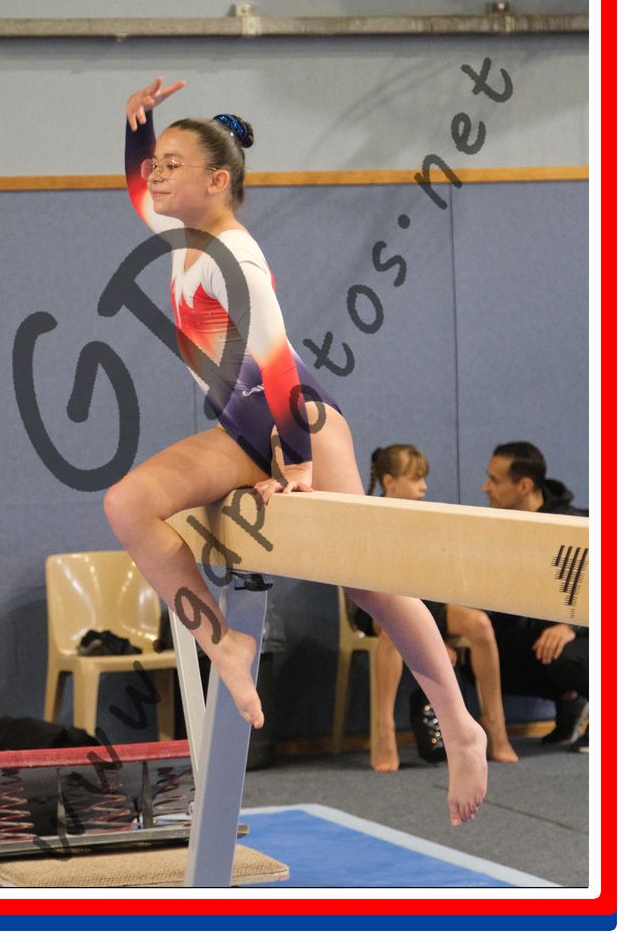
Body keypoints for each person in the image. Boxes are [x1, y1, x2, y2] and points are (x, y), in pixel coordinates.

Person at [103, 77, 488, 826]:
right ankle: (224, 645)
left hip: (299, 423)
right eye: (159, 163)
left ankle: (459, 722)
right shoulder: (183, 237)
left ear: (218, 181)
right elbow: (135, 187)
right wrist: (138, 129)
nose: (157, 174)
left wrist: (298, 464)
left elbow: (276, 360)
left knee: (372, 587)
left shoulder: (234, 258)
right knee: (128, 505)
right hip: (242, 432)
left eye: (173, 164)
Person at [354, 445, 518, 771]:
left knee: (480, 624)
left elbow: (433, 579)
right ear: (390, 482)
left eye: (424, 479)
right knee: (394, 629)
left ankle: (495, 723)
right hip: (378, 606)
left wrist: (436, 634)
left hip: (424, 603)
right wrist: (433, 639)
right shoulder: (371, 519)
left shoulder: (424, 520)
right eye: (416, 479)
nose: (424, 487)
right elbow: (376, 585)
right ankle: (384, 730)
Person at [481, 441, 589, 751]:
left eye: (495, 480)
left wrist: (573, 626)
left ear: (525, 486)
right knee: (482, 655)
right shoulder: (504, 528)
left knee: (565, 656)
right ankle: (571, 701)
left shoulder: (573, 525)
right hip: (551, 635)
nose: (486, 487)